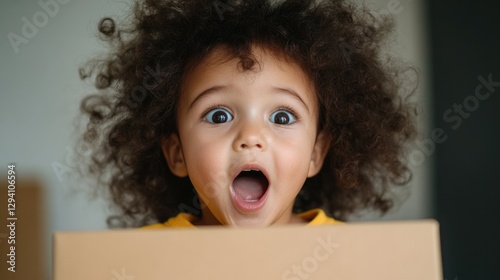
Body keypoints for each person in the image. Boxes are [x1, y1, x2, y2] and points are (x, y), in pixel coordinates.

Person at [78, 0, 417, 228]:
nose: (251, 137)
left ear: (316, 154)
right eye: (219, 116)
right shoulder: (138, 260)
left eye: (282, 117)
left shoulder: (355, 257)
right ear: (177, 154)